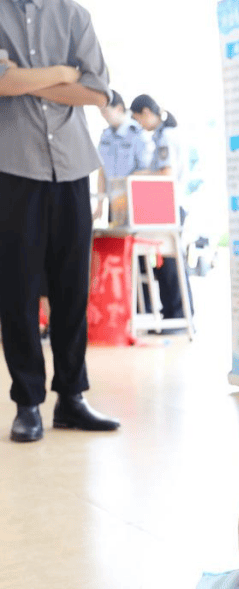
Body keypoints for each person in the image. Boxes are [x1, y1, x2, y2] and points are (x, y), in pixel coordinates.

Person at [0, 0, 121, 443]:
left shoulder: (74, 16)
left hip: (72, 167)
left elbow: (97, 93)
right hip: (13, 168)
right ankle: (27, 402)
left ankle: (71, 398)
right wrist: (62, 73)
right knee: (18, 291)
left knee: (72, 289)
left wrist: (23, 81)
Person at [129, 93, 193, 326]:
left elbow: (167, 173)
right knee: (166, 262)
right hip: (166, 206)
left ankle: (177, 314)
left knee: (171, 262)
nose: (139, 125)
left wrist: (139, 175)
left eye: (138, 119)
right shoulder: (162, 135)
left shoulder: (166, 136)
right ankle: (172, 313)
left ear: (147, 113)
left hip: (170, 206)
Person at [95, 91, 151, 226]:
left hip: (134, 203)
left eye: (105, 111)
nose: (103, 116)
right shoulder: (105, 136)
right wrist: (100, 203)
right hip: (113, 203)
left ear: (119, 109)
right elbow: (102, 171)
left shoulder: (137, 134)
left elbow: (147, 170)